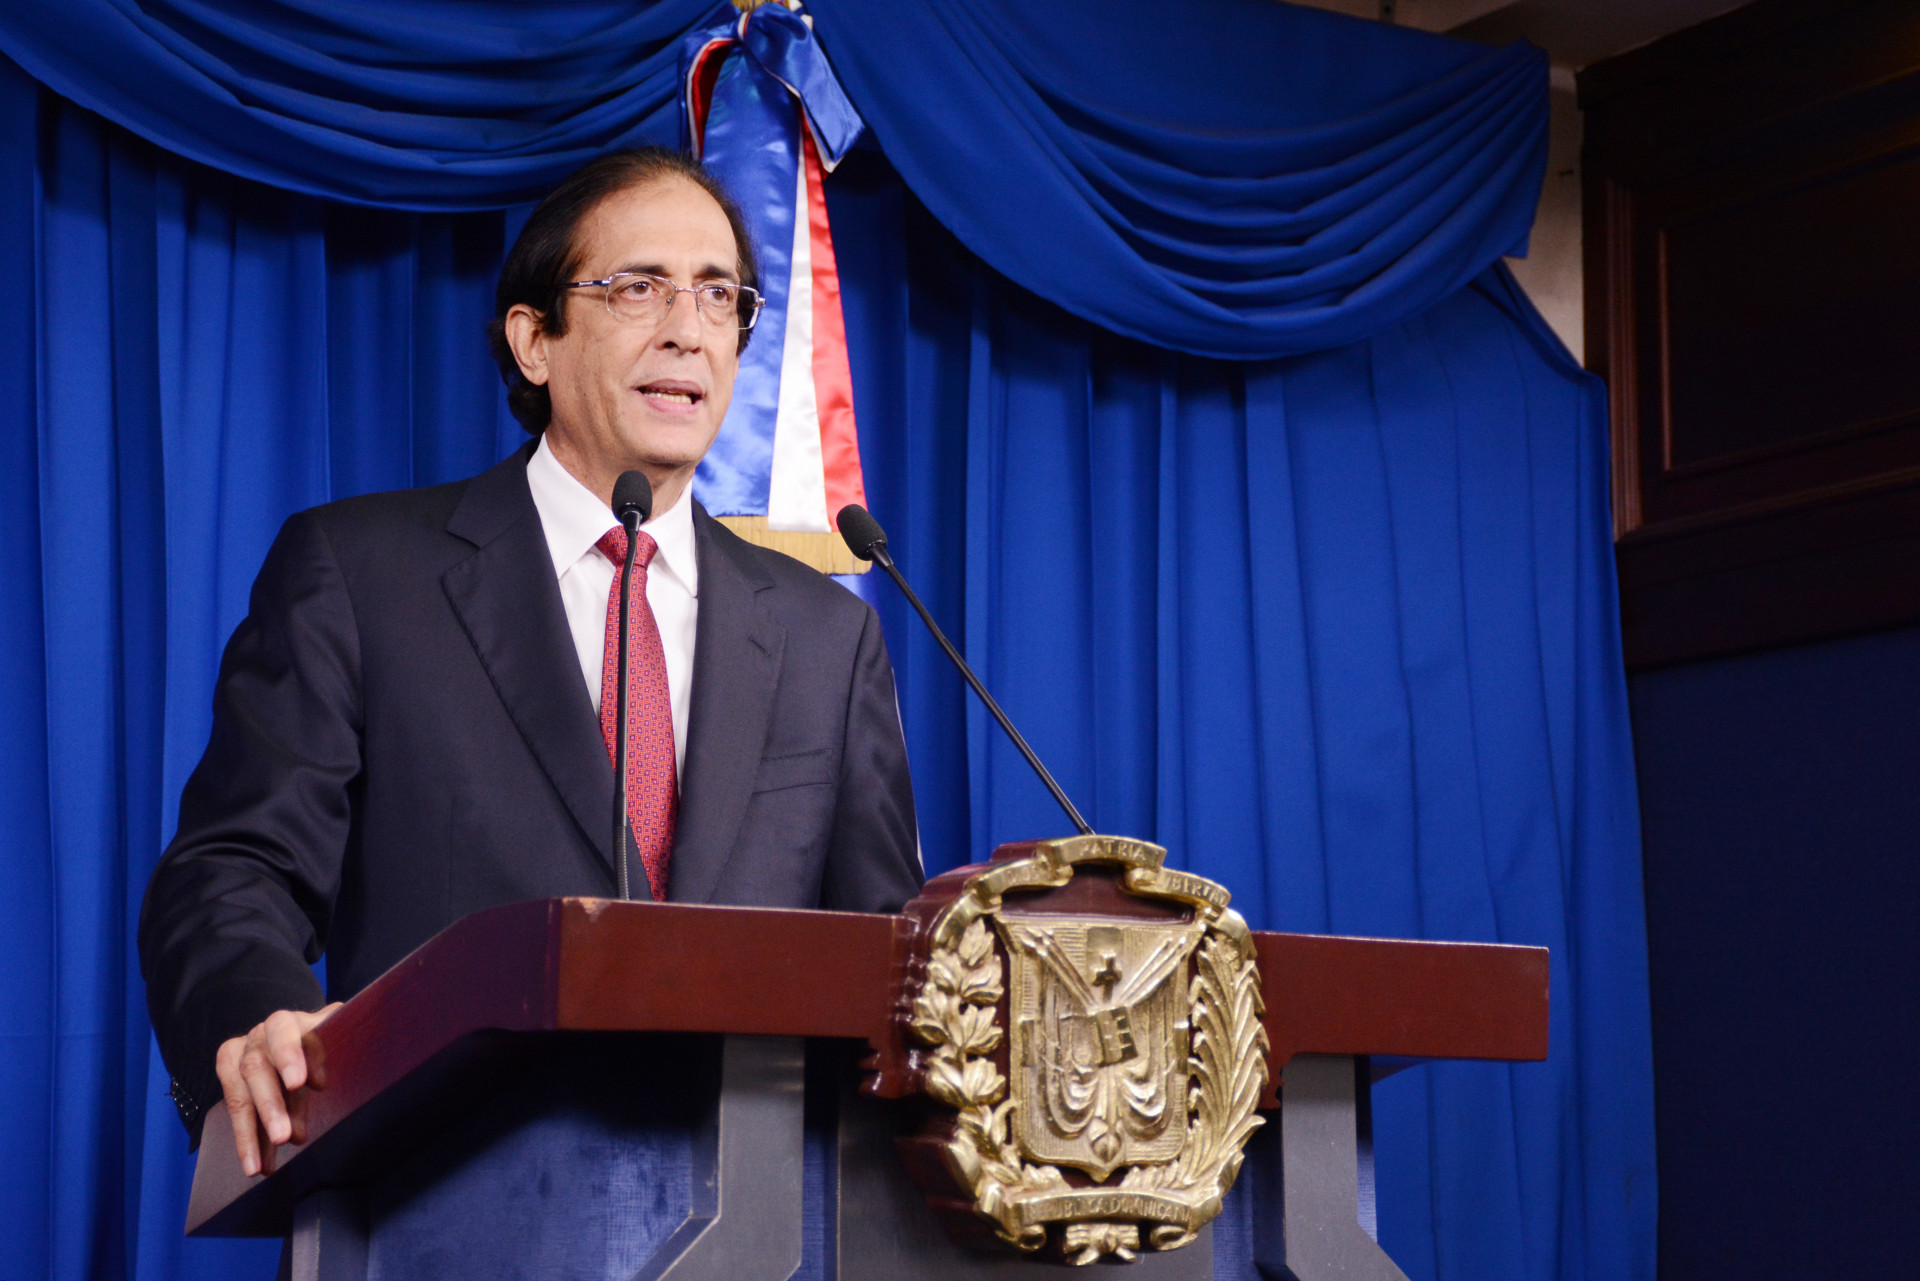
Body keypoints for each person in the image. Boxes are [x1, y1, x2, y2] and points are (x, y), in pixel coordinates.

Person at [137, 148, 922, 1178]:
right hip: (435, 1193)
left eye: (718, 295)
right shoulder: (363, 576)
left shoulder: (828, 635)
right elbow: (234, 870)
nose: (688, 329)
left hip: (762, 1211)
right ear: (534, 340)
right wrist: (260, 1022)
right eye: (638, 287)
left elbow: (882, 960)